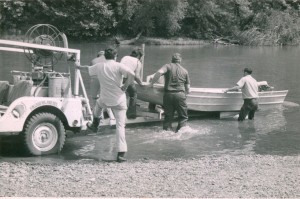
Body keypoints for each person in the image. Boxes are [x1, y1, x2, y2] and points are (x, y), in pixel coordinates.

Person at [76, 46, 136, 162]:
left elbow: (86, 69)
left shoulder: (100, 66)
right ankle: (121, 154)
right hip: (119, 100)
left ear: (105, 56)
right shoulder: (119, 66)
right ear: (115, 56)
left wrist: (77, 66)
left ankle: (95, 124)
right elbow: (132, 74)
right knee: (120, 127)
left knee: (98, 106)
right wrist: (125, 85)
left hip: (105, 99)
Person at [149, 53, 190, 132]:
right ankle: (181, 132)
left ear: (171, 60)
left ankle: (167, 131)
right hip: (180, 95)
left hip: (168, 95)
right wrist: (185, 96)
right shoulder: (185, 71)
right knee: (183, 117)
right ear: (180, 60)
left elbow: (159, 72)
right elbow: (188, 88)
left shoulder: (167, 66)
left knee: (168, 116)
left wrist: (151, 84)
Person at [120, 47, 143, 119]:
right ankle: (131, 114)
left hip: (118, 78)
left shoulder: (125, 57)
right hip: (128, 79)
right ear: (139, 56)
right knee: (133, 94)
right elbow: (137, 76)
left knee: (122, 95)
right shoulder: (137, 62)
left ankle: (119, 112)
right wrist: (141, 84)